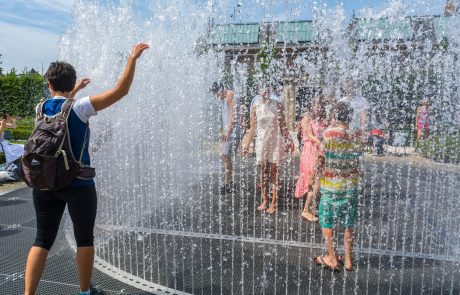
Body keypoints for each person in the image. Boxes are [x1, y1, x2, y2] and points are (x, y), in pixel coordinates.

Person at [24, 43, 149, 295]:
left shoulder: (40, 109)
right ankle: (84, 291)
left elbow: (60, 107)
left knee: (42, 240)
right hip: (78, 184)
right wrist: (132, 59)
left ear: (49, 84)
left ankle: (28, 294)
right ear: (72, 85)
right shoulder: (80, 107)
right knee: (84, 239)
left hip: (45, 182)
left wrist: (74, 90)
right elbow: (121, 91)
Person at [314, 101, 362, 271]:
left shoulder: (327, 134)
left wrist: (317, 175)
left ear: (335, 116)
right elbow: (357, 161)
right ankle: (348, 260)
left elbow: (320, 158)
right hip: (350, 187)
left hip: (331, 187)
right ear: (350, 117)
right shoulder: (356, 135)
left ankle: (332, 258)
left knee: (327, 221)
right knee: (349, 223)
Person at [241, 84, 294, 214]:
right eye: (264, 88)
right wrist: (246, 145)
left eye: (268, 88)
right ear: (259, 90)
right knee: (263, 173)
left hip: (275, 141)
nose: (266, 91)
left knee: (274, 173)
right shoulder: (256, 106)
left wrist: (289, 140)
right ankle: (264, 200)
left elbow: (283, 126)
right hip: (261, 142)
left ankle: (274, 203)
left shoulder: (278, 104)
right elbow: (253, 128)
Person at [294, 98, 326, 221]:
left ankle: (311, 207)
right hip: (310, 151)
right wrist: (320, 142)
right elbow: (309, 134)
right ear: (312, 107)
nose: (318, 109)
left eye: (321, 107)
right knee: (312, 179)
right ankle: (306, 210)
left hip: (319, 150)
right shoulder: (306, 119)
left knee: (318, 179)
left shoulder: (322, 120)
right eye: (316, 106)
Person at [210, 82, 237, 194]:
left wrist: (228, 132)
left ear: (221, 89)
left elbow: (233, 115)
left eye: (216, 93)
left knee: (225, 156)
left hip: (232, 132)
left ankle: (228, 184)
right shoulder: (223, 98)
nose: (216, 96)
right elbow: (226, 117)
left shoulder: (229, 95)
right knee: (226, 157)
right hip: (228, 131)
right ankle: (229, 182)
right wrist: (224, 131)